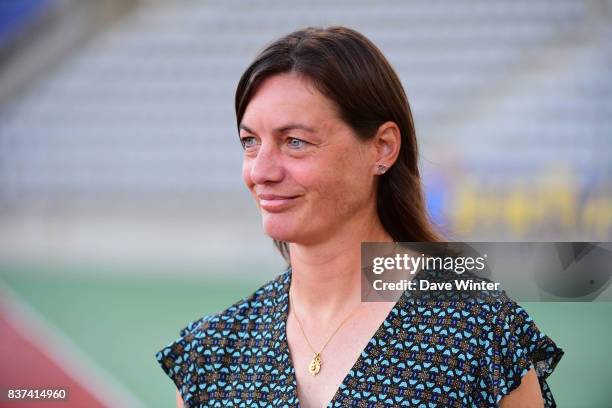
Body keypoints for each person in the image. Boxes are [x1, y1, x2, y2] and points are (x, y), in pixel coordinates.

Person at [156, 26, 563, 407]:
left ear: (383, 148)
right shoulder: (210, 355)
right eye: (250, 142)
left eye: (295, 142)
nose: (260, 171)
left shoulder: (477, 329)